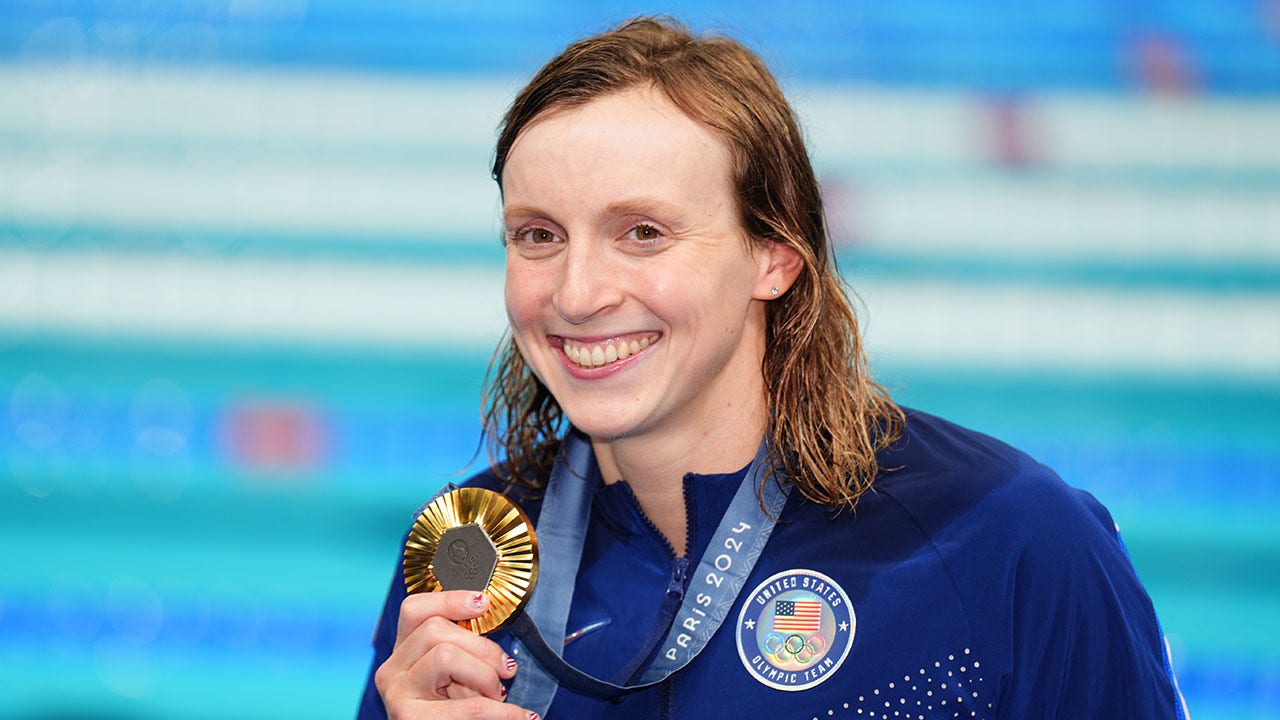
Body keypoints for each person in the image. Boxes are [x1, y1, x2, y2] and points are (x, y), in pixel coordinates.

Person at [359, 16, 1187, 720]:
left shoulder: (1004, 541)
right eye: (538, 235)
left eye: (643, 232)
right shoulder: (472, 554)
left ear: (775, 257)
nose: (576, 295)